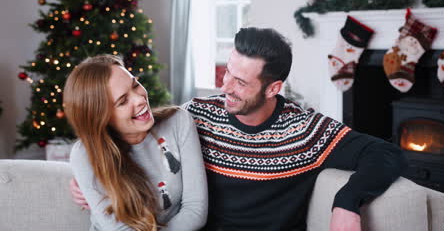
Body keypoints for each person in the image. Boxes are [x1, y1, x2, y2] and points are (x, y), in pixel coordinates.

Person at [71, 28, 407, 231]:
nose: (225, 85)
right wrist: (97, 182)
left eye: (240, 81)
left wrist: (347, 201)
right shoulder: (198, 115)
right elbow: (135, 136)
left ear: (273, 88)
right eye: (227, 71)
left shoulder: (305, 130)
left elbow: (386, 154)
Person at [64, 55, 207, 231]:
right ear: (101, 118)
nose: (140, 99)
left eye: (135, 85)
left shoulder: (179, 122)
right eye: (123, 101)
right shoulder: (85, 154)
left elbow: (195, 210)